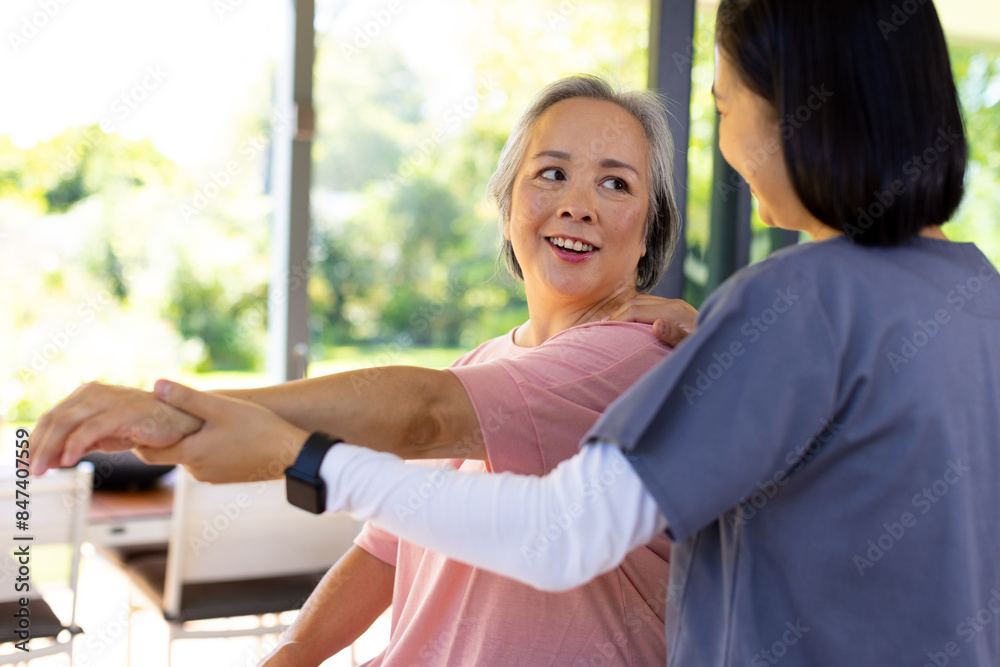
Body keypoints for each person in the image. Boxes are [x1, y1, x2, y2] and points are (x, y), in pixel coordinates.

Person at [36, 1, 1000, 665]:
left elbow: (525, 504)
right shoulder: (971, 293)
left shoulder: (770, 311)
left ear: (794, 106)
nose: (729, 141)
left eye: (722, 105)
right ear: (504, 205)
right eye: (550, 173)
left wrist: (281, 445)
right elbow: (393, 538)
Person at [32, 76, 702, 665]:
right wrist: (294, 653)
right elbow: (384, 549)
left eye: (615, 183)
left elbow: (422, 412)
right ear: (505, 206)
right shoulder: (483, 363)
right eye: (551, 173)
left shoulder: (637, 352)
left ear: (649, 232)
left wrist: (184, 411)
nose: (578, 202)